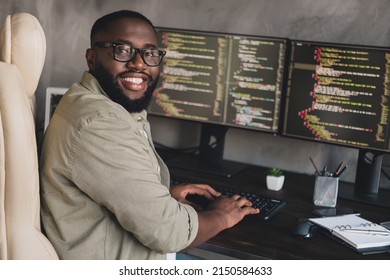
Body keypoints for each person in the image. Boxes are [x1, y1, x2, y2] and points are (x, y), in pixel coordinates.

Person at [40, 10, 259, 260]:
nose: (139, 63)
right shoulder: (101, 123)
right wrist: (222, 215)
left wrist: (161, 196)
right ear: (92, 58)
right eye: (122, 50)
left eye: (150, 53)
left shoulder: (99, 104)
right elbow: (170, 234)